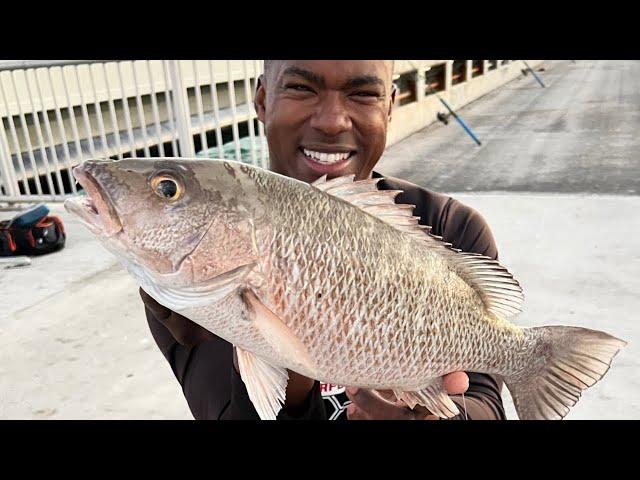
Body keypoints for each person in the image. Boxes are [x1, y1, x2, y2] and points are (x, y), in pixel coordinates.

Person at [140, 60, 506, 420]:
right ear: (263, 100)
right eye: (301, 88)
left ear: (389, 107)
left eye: (362, 93)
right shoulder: (188, 273)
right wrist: (283, 364)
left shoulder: (449, 228)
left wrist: (439, 416)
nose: (332, 121)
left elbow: (485, 404)